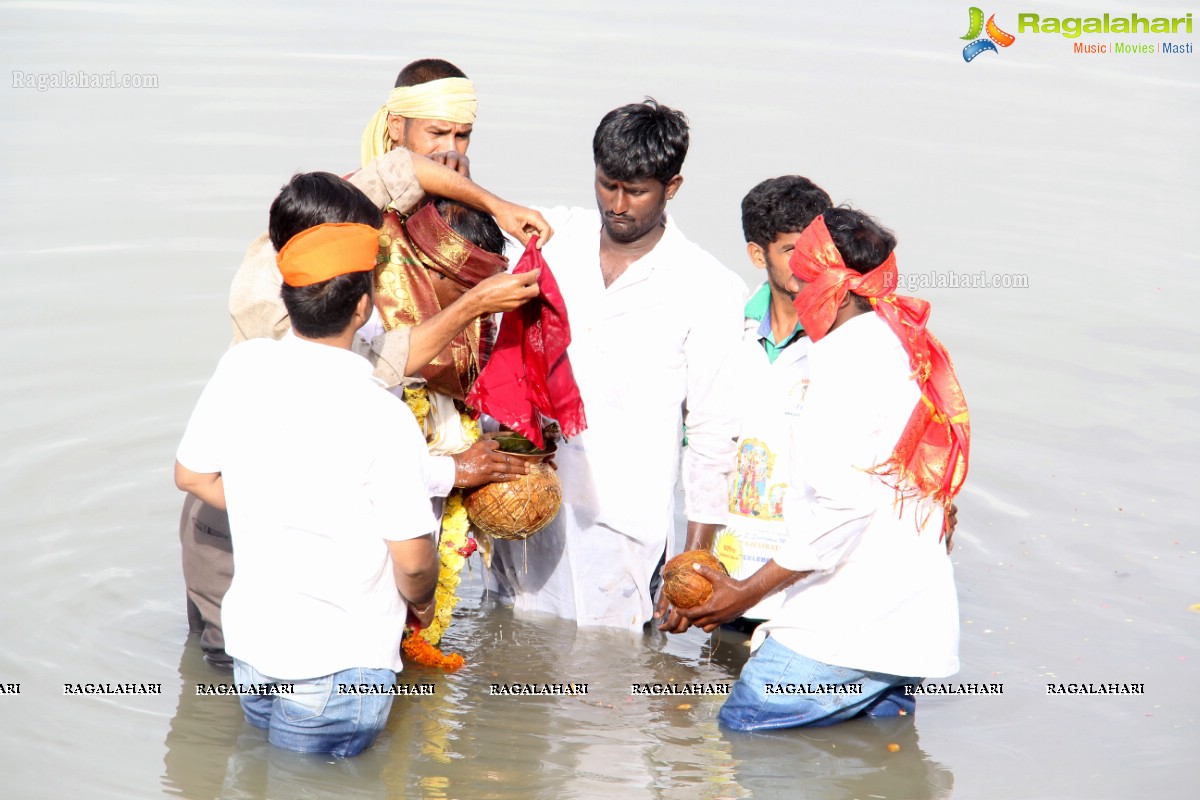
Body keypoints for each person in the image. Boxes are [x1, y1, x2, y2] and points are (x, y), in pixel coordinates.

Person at [186, 140, 549, 668]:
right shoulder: (274, 316)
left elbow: (398, 170)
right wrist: (475, 305)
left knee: (255, 687)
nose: (379, 265)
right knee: (227, 673)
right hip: (235, 531)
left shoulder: (316, 232)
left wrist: (499, 207)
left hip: (276, 528)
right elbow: (375, 385)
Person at [174, 172, 440, 757]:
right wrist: (422, 603)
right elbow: (415, 562)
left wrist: (268, 503)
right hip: (338, 671)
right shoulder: (382, 415)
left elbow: (192, 475)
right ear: (364, 306)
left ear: (289, 299)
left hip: (254, 653)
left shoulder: (241, 368)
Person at [673, 208, 970, 731]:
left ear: (834, 287)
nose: (795, 289)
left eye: (804, 278)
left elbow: (843, 509)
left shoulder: (842, 363)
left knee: (743, 737)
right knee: (876, 766)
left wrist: (746, 592)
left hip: (842, 630)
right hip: (906, 632)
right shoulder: (899, 342)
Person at [486, 99, 747, 631]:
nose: (618, 204)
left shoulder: (709, 287)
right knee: (508, 658)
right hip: (527, 502)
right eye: (607, 185)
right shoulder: (552, 241)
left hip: (624, 524)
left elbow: (713, 432)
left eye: (636, 191)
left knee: (608, 687)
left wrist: (695, 558)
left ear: (671, 187)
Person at [659, 177, 833, 637]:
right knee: (715, 697)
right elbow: (706, 449)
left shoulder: (848, 338)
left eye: (819, 247)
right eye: (793, 250)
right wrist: (694, 564)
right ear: (758, 255)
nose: (810, 263)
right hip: (733, 579)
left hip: (816, 581)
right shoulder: (728, 330)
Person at [361, 58, 477, 175]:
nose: (452, 150)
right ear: (395, 126)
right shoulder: (356, 189)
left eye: (462, 136)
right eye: (437, 133)